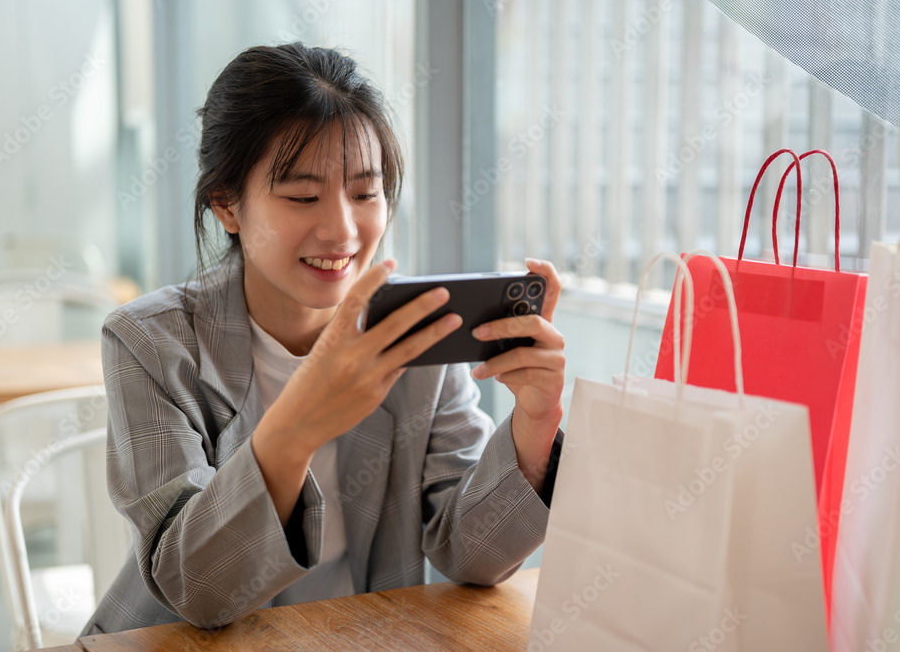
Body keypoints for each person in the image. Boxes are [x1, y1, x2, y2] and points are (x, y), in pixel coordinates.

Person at [81, 42, 566, 634]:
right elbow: (195, 589)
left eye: (366, 193)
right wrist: (301, 422)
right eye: (303, 196)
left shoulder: (416, 334)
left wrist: (534, 428)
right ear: (226, 205)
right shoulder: (151, 343)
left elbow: (470, 554)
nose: (342, 230)